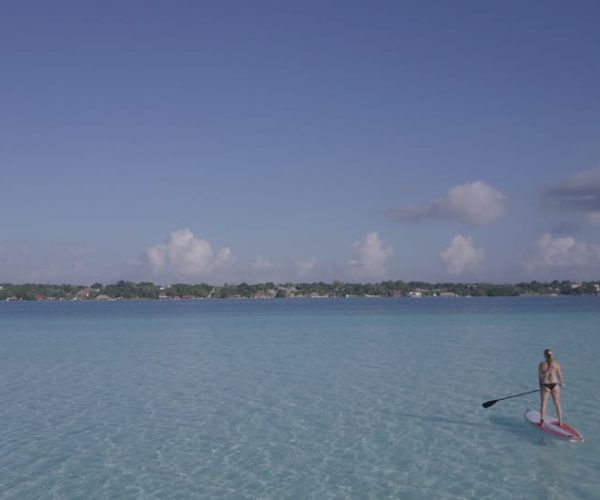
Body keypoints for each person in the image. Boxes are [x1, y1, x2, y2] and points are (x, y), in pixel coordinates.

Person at [538, 348, 564, 426]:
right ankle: (561, 422)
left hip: (545, 385)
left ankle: (542, 422)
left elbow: (540, 377)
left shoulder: (541, 364)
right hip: (555, 385)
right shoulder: (556, 364)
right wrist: (562, 383)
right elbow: (560, 376)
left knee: (544, 404)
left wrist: (540, 386)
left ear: (544, 355)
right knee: (557, 404)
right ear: (552, 355)